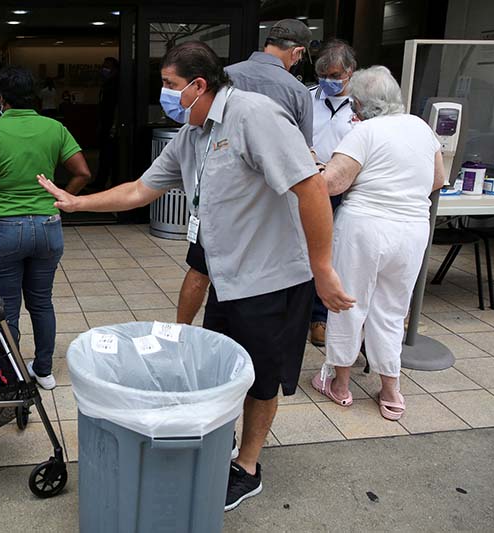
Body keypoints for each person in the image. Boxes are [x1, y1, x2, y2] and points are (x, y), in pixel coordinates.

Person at [37, 41, 354, 510]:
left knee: (262, 378)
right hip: (228, 278)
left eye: (169, 85)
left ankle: (248, 466)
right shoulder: (193, 133)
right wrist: (79, 203)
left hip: (272, 279)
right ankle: (224, 445)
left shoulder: (254, 116)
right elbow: (141, 190)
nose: (164, 94)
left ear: (198, 84)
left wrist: (323, 268)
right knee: (223, 370)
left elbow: (309, 186)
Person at [312, 66, 445, 420]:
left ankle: (340, 385)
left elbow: (333, 184)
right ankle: (390, 391)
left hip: (365, 227)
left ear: (361, 103)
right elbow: (438, 178)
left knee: (348, 303)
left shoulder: (364, 132)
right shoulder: (420, 126)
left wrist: (318, 168)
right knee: (391, 310)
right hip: (412, 230)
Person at [176, 19, 315, 326]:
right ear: (297, 54)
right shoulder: (296, 91)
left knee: (201, 272)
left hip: (214, 199)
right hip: (265, 213)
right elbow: (304, 160)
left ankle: (182, 334)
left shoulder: (226, 76)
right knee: (257, 290)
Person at [0, 66, 92, 390]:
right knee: (41, 300)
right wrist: (60, 201)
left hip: (3, 228)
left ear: (1, 98)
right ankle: (45, 370)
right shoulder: (54, 128)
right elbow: (82, 172)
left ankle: (12, 371)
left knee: (6, 306)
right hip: (48, 227)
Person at [308, 39, 358, 347]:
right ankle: (298, 311)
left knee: (331, 254)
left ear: (350, 71)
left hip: (344, 189)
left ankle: (320, 318)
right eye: (322, 75)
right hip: (308, 183)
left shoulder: (364, 106)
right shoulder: (306, 98)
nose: (328, 81)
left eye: (335, 75)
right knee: (301, 251)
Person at [93, 57, 120, 190]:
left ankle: (108, 183)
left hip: (112, 126)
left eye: (106, 67)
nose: (103, 70)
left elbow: (117, 107)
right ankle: (100, 182)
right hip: (105, 124)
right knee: (104, 155)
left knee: (110, 156)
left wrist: (114, 126)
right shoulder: (106, 84)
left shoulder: (116, 85)